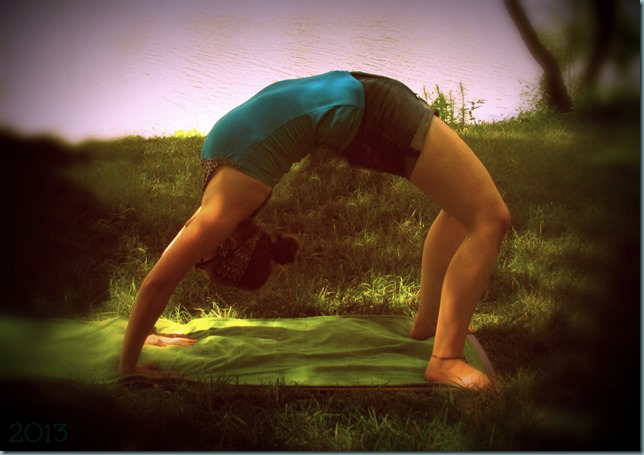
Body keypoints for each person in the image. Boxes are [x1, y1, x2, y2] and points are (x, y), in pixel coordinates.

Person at [119, 71, 510, 391]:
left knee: (471, 212)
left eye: (200, 262)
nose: (195, 254)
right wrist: (138, 348)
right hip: (369, 109)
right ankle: (444, 357)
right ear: (230, 244)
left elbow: (158, 282)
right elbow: (161, 280)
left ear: (230, 244)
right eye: (200, 261)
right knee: (488, 216)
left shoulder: (225, 204)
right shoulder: (227, 195)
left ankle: (432, 331)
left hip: (369, 104)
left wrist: (131, 360)